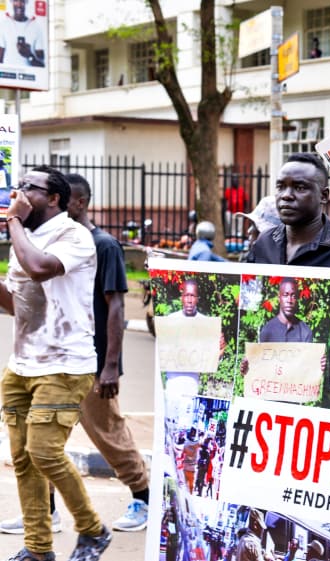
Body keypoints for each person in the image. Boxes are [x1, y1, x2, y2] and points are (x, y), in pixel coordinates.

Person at [0, 166, 111, 561]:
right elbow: (18, 305)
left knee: (45, 451)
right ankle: (38, 548)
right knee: (25, 460)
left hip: (65, 365)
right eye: (18, 187)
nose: (19, 193)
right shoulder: (24, 239)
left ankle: (93, 530)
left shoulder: (75, 236)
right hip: (21, 365)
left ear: (55, 199)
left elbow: (41, 268)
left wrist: (11, 220)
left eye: (29, 188)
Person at [65, 174, 151, 531]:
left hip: (93, 364)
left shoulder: (105, 246)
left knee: (110, 436)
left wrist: (110, 367)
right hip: (60, 360)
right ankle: (45, 510)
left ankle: (143, 499)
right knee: (40, 439)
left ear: (80, 202)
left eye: (60, 198)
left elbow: (116, 306)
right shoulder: (61, 243)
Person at [244, 153, 330, 269]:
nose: (286, 195)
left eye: (299, 188)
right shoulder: (264, 242)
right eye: (281, 187)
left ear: (324, 196)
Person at [0, 0, 45, 67]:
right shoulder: (4, 25)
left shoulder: (36, 27)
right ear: (11, 2)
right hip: (7, 74)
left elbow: (42, 65)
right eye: (16, 1)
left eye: (22, 1)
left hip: (31, 75)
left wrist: (29, 55)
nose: (19, 4)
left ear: (26, 2)